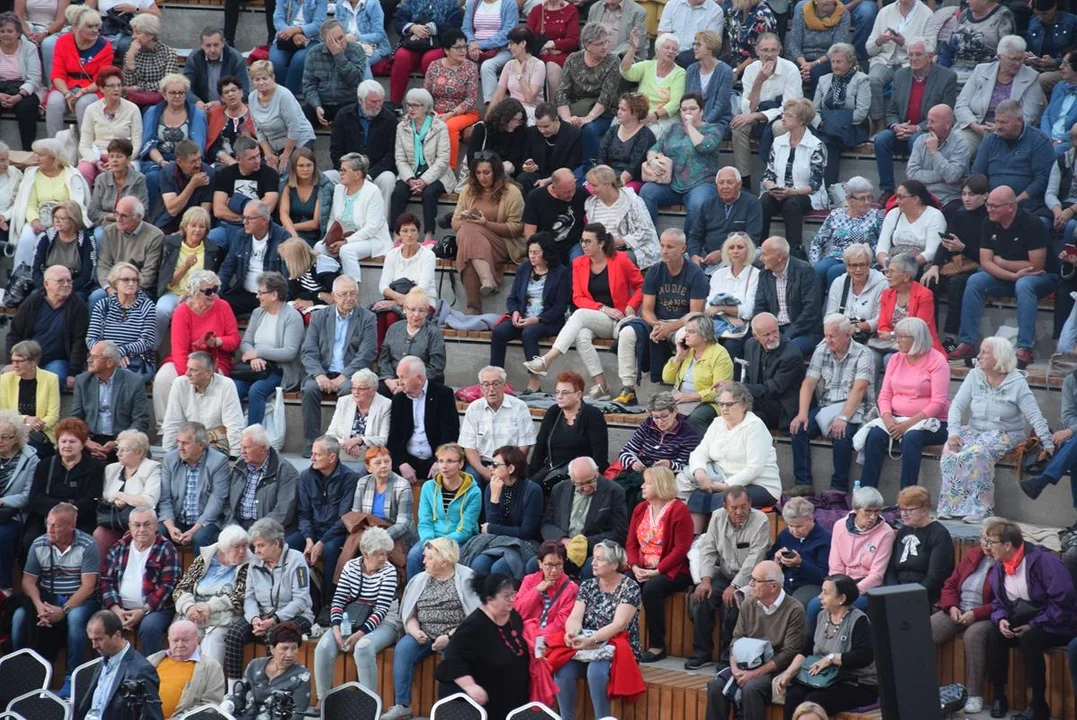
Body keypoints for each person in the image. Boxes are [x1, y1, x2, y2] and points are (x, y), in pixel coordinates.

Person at [522, 224, 643, 399]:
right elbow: (578, 297)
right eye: (582, 241)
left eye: (588, 241)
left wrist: (632, 304)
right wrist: (602, 308)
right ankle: (602, 387)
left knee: (578, 315)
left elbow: (641, 285)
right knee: (581, 335)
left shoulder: (621, 260)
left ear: (601, 243)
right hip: (596, 318)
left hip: (619, 319)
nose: (584, 245)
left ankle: (547, 360)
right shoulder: (579, 263)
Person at [940, 337, 1053, 521]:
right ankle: (952, 505)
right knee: (950, 449)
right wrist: (953, 433)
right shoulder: (974, 375)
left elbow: (1034, 415)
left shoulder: (1017, 383)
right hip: (975, 430)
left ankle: (982, 508)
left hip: (1005, 433)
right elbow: (957, 406)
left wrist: (1047, 442)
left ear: (999, 357)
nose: (978, 356)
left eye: (984, 352)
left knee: (978, 452)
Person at [948, 186, 1054, 369]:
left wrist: (1002, 262)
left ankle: (1024, 348)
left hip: (1042, 277)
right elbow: (986, 262)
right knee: (975, 281)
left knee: (1025, 284)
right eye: (988, 205)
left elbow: (1035, 265)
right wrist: (1013, 275)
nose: (989, 210)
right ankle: (967, 342)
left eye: (994, 206)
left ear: (1011, 207)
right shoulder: (989, 222)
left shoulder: (1032, 224)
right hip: (1011, 277)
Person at [985, 519, 1077, 720]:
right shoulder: (1000, 567)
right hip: (1024, 618)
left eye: (991, 542)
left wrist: (1033, 624)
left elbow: (1063, 602)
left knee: (1030, 640)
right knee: (995, 635)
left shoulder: (1044, 561)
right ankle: (999, 696)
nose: (988, 547)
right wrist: (1001, 619)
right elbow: (998, 602)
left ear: (1007, 545)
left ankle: (1038, 705)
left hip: (1057, 622)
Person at [381, 538, 480, 720]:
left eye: (428, 558)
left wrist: (449, 637)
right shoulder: (420, 579)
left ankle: (454, 709)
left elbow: (474, 620)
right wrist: (414, 630)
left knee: (454, 654)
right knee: (403, 649)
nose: (423, 561)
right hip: (424, 633)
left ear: (444, 560)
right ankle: (402, 705)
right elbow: (410, 614)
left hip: (456, 635)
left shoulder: (467, 578)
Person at [705, 559, 809, 720]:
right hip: (744, 664)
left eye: (756, 580)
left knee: (751, 688)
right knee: (715, 685)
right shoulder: (748, 603)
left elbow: (789, 653)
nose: (750, 583)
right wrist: (735, 669)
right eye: (751, 579)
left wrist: (755, 674)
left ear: (773, 586)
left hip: (775, 668)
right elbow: (736, 639)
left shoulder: (795, 609)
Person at [552, 540, 643, 720]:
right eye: (594, 558)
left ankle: (602, 717)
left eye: (600, 559)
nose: (593, 563)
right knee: (562, 670)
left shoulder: (630, 587)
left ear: (615, 564)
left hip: (616, 646)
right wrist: (571, 633)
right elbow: (575, 618)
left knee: (596, 672)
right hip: (587, 645)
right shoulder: (588, 585)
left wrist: (591, 640)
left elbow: (619, 625)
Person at [11, 503, 99, 685]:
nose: (49, 529)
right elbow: (28, 581)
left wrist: (63, 610)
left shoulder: (88, 545)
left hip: (79, 600)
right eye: (48, 523)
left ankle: (72, 678)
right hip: (47, 600)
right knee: (19, 617)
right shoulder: (39, 543)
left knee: (76, 620)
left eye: (56, 525)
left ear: (71, 526)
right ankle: (20, 674)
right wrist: (39, 606)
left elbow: (88, 587)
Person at [684, 486, 770, 668]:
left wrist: (736, 585)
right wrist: (705, 579)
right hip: (723, 574)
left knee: (732, 605)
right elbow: (708, 550)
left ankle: (727, 658)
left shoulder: (760, 520)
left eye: (743, 507)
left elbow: (755, 558)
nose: (739, 512)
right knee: (700, 599)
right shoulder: (716, 517)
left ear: (750, 504)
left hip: (750, 579)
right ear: (725, 506)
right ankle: (702, 653)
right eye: (734, 508)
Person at [859, 316, 950, 488]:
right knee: (875, 436)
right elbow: (885, 394)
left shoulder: (937, 361)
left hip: (932, 423)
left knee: (911, 438)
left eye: (902, 337)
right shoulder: (895, 359)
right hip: (896, 419)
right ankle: (866, 494)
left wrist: (907, 425)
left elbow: (939, 403)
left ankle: (907, 497)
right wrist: (887, 418)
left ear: (916, 339)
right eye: (897, 336)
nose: (897, 340)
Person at [773, 574, 878, 720]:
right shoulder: (822, 615)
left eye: (825, 593)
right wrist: (788, 673)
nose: (819, 596)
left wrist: (831, 659)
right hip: (825, 678)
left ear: (841, 598)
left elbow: (865, 656)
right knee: (793, 695)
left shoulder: (859, 620)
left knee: (813, 701)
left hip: (856, 684)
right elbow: (807, 649)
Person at [790, 314, 875, 493]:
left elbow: (859, 389)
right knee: (799, 427)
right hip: (827, 408)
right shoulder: (821, 350)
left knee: (841, 434)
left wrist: (843, 417)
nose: (828, 340)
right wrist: (802, 413)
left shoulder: (863, 353)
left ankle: (838, 488)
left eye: (832, 336)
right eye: (826, 335)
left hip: (855, 408)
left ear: (846, 335)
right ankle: (803, 483)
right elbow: (809, 383)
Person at [312, 526, 399, 700]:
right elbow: (338, 601)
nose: (384, 558)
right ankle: (323, 700)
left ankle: (370, 703)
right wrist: (336, 631)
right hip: (351, 618)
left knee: (363, 647)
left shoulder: (389, 571)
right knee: (322, 647)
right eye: (380, 554)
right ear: (366, 554)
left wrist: (358, 635)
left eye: (386, 553)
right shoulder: (350, 566)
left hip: (384, 621)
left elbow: (381, 610)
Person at [222, 518, 314, 682]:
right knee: (234, 633)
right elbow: (249, 597)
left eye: (261, 545)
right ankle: (233, 690)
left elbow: (300, 600)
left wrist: (274, 620)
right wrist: (255, 618)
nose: (256, 551)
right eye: (255, 546)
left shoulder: (296, 560)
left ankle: (268, 685)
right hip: (263, 616)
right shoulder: (254, 563)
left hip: (296, 616)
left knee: (274, 634)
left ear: (276, 544)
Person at [681, 381, 782, 525]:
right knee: (697, 496)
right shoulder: (717, 423)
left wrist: (727, 485)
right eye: (721, 404)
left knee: (723, 499)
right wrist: (700, 473)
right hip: (722, 481)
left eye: (729, 404)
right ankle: (696, 541)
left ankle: (718, 542)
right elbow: (700, 452)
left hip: (761, 485)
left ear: (744, 404)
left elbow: (754, 469)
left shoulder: (755, 426)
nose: (724, 409)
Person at [299, 275, 377, 456]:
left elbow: (367, 353)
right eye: (344, 294)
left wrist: (345, 376)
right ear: (333, 296)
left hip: (351, 374)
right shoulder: (319, 317)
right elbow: (308, 351)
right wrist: (319, 375)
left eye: (353, 294)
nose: (349, 298)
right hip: (323, 371)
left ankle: (341, 444)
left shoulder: (367, 318)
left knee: (350, 390)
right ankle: (312, 444)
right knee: (309, 389)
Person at [151, 270, 241, 427]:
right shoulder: (182, 311)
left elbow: (234, 340)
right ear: (194, 291)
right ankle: (165, 428)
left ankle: (210, 428)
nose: (213, 294)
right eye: (208, 291)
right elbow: (179, 351)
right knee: (163, 379)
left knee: (213, 379)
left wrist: (218, 341)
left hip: (213, 359)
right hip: (186, 359)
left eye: (215, 290)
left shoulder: (223, 306)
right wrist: (188, 375)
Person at [874, 43, 960, 199]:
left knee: (917, 141)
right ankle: (887, 189)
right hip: (901, 129)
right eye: (911, 55)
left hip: (928, 131)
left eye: (918, 54)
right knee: (881, 139)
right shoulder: (900, 75)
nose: (914, 58)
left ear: (930, 55)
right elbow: (892, 110)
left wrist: (917, 128)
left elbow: (947, 112)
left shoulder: (947, 77)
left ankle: (913, 190)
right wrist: (896, 126)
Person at [625, 467, 692, 662]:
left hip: (672, 569)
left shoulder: (679, 510)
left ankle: (657, 645)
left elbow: (681, 549)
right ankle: (622, 639)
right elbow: (631, 543)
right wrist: (635, 566)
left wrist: (656, 572)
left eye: (647, 483)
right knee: (625, 584)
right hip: (642, 567)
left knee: (651, 589)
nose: (642, 486)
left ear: (661, 485)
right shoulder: (640, 508)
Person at [930, 524, 997, 716]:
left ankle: (975, 694)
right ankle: (923, 685)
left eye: (991, 541)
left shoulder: (1004, 561)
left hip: (986, 615)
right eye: (984, 539)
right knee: (925, 630)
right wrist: (951, 606)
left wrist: (977, 613)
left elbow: (1004, 601)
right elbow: (950, 584)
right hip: (958, 609)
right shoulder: (974, 554)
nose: (986, 545)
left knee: (973, 636)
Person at [639, 93, 722, 237]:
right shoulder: (673, 129)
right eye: (684, 109)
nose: (688, 112)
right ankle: (649, 239)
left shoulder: (713, 130)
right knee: (647, 192)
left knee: (698, 204)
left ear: (701, 111)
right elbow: (654, 148)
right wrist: (652, 160)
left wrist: (690, 126)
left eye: (692, 109)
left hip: (700, 183)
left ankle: (687, 245)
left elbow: (704, 146)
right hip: (671, 184)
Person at [99, 506, 179, 655]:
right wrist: (117, 610)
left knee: (149, 627)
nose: (141, 529)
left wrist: (143, 611)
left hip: (155, 609)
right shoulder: (118, 548)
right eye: (137, 525)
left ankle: (149, 674)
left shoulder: (167, 549)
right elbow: (106, 581)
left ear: (156, 526)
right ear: (130, 526)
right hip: (120, 608)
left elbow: (169, 585)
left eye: (147, 524)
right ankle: (107, 673)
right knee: (102, 623)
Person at [452, 152, 525, 314]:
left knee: (468, 238)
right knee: (468, 233)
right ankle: (486, 282)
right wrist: (464, 221)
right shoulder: (468, 191)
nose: (482, 177)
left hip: (503, 242)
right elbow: (455, 223)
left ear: (496, 172)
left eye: (486, 172)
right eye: (478, 173)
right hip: (472, 241)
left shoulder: (511, 192)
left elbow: (516, 228)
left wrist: (486, 224)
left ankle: (473, 306)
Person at [922, 174, 989, 346]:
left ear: (985, 195)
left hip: (979, 266)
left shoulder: (989, 219)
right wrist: (935, 266)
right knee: (931, 281)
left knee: (956, 284)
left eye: (972, 195)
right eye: (964, 194)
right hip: (958, 263)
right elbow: (945, 243)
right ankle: (930, 333)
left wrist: (963, 248)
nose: (966, 199)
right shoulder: (959, 215)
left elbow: (985, 255)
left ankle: (951, 336)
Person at [729, 34, 802, 189]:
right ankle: (744, 180)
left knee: (780, 127)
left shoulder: (791, 69)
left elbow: (790, 108)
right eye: (765, 50)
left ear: (780, 50)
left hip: (785, 117)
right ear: (757, 51)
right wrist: (759, 81)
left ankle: (779, 176)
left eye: (773, 50)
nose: (769, 55)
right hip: (758, 113)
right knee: (738, 126)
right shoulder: (750, 70)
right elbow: (748, 109)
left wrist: (758, 115)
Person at [289, 435, 358, 598]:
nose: (311, 458)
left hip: (337, 532)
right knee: (288, 546)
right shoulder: (305, 477)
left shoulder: (350, 479)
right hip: (312, 531)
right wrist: (308, 539)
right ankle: (292, 596)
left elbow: (344, 518)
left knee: (330, 550)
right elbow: (304, 513)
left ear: (332, 457)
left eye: (316, 454)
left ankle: (329, 600)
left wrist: (321, 542)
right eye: (312, 453)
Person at [172, 525, 250, 667]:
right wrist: (189, 607)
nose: (242, 551)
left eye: (245, 546)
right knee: (182, 633)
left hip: (225, 615)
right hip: (194, 611)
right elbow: (181, 588)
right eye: (237, 547)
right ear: (224, 548)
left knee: (213, 638)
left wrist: (210, 606)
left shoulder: (248, 564)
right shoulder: (204, 559)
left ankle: (211, 684)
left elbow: (240, 596)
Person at [233, 271, 304, 426]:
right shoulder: (258, 313)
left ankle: (253, 437)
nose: (257, 296)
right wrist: (255, 357)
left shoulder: (292, 317)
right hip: (253, 367)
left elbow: (290, 352)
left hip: (279, 369)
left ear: (274, 295)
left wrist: (259, 352)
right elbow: (245, 342)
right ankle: (233, 436)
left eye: (261, 292)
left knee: (256, 391)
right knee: (234, 388)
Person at [490, 233, 570, 370]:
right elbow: (512, 298)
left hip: (547, 320)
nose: (531, 256)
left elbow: (560, 306)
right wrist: (515, 313)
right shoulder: (524, 269)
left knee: (529, 333)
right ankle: (496, 376)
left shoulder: (561, 272)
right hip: (522, 318)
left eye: (536, 252)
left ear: (546, 253)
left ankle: (535, 381)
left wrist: (537, 319)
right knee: (498, 332)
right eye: (530, 252)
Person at [10, 138, 91, 273]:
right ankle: (20, 276)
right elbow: (30, 204)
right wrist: (35, 222)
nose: (36, 158)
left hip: (66, 219)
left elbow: (76, 204)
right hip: (39, 219)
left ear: (54, 157)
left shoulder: (72, 174)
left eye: (41, 154)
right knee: (26, 236)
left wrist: (60, 221)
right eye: (35, 153)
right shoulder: (32, 174)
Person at [538, 457, 627, 579]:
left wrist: (585, 543)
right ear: (571, 478)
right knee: (534, 564)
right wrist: (563, 540)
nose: (586, 488)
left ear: (597, 472)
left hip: (593, 552)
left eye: (590, 481)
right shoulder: (559, 489)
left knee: (590, 569)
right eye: (579, 484)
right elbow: (547, 524)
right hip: (563, 550)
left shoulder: (614, 491)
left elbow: (619, 533)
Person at [760, 98, 828, 257]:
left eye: (788, 115)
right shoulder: (778, 142)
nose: (783, 118)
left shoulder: (816, 145)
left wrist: (793, 192)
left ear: (802, 120)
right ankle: (759, 248)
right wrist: (772, 187)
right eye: (783, 114)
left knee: (792, 204)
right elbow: (768, 174)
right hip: (780, 192)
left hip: (806, 195)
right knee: (763, 201)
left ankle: (795, 251)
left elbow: (815, 184)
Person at [955, 38, 1046, 158]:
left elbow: (1029, 115)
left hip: (1011, 134)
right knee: (959, 152)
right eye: (1013, 59)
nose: (1018, 63)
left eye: (1021, 59)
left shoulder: (1031, 77)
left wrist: (1001, 128)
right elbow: (961, 105)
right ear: (999, 57)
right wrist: (975, 126)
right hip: (975, 128)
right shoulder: (981, 70)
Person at [462, 446, 542, 578]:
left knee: (499, 568)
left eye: (495, 465)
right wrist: (494, 498)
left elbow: (526, 532)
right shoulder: (491, 488)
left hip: (523, 544)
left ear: (511, 468)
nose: (490, 468)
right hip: (497, 542)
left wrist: (492, 527)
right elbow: (491, 532)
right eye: (490, 464)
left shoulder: (532, 490)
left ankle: (505, 598)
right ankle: (483, 599)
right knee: (478, 564)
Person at [407, 443, 482, 579]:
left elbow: (465, 529)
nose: (444, 466)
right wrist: (429, 542)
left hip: (459, 540)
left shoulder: (474, 491)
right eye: (440, 461)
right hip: (432, 538)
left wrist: (441, 545)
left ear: (460, 464)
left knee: (449, 560)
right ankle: (412, 596)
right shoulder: (428, 487)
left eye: (450, 461)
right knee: (413, 556)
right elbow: (424, 521)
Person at [970, 98, 1054, 218]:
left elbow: (1042, 179)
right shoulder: (990, 140)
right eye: (997, 121)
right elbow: (977, 174)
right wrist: (989, 200)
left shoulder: (1039, 141)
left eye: (1003, 122)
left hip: (1027, 206)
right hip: (990, 205)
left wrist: (1015, 201)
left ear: (1019, 120)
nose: (998, 126)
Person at [391, 88, 457, 241]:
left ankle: (428, 236)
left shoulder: (439, 126)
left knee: (429, 193)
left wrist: (424, 180)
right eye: (408, 105)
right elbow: (400, 158)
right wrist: (409, 179)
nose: (410, 109)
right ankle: (396, 235)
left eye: (416, 105)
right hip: (411, 172)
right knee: (399, 192)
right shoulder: (402, 127)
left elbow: (443, 160)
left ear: (426, 107)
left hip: (438, 174)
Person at [6, 267, 86, 392]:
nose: (66, 285)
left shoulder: (78, 306)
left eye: (69, 281)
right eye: (60, 281)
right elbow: (14, 334)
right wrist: (13, 361)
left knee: (55, 378)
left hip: (57, 360)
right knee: (8, 377)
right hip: (27, 358)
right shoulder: (32, 303)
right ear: (46, 284)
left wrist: (73, 372)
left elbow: (79, 341)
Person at [76, 610, 165, 720]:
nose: (94, 646)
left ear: (117, 635)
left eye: (98, 639)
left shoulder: (142, 670)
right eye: (92, 640)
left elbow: (152, 716)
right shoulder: (101, 663)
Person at [555, 23, 621, 168]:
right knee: (562, 127)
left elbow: (606, 96)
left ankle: (591, 167)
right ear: (587, 45)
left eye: (606, 42)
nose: (605, 46)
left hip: (602, 111)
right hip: (575, 108)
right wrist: (566, 118)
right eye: (599, 44)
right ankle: (563, 168)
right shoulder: (573, 59)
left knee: (589, 129)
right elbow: (562, 92)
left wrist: (588, 118)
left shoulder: (613, 61)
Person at [157, 422, 230, 552]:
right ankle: (166, 572)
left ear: (201, 445)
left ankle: (199, 573)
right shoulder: (170, 459)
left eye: (185, 443)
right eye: (178, 442)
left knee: (200, 538)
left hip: (205, 522)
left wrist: (194, 530)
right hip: (177, 519)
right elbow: (164, 498)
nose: (180, 447)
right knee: (158, 532)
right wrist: (170, 527)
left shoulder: (218, 461)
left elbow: (217, 501)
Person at [139, 74, 209, 208]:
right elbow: (148, 143)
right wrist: (161, 162)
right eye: (172, 93)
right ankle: (153, 218)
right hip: (159, 160)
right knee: (152, 177)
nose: (177, 96)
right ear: (164, 94)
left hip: (187, 161)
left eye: (181, 92)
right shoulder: (152, 112)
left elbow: (198, 146)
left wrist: (181, 163)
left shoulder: (197, 114)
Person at [385, 356, 460, 480]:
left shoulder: (442, 395)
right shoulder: (399, 399)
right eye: (398, 377)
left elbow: (450, 433)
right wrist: (402, 463)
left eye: (403, 377)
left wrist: (440, 461)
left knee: (448, 471)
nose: (399, 382)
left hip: (436, 459)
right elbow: (394, 437)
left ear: (419, 379)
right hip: (408, 459)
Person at [44, 6, 113, 138]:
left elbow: (102, 78)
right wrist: (67, 94)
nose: (95, 31)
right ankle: (55, 148)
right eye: (90, 26)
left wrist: (84, 91)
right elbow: (57, 74)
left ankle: (86, 151)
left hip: (93, 88)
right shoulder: (63, 42)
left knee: (83, 104)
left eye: (97, 26)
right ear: (77, 27)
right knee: (54, 103)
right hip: (66, 85)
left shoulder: (105, 46)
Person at [458, 367, 536, 483]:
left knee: (526, 482)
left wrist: (503, 469)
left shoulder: (519, 407)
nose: (491, 389)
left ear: (504, 385)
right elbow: (469, 447)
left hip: (510, 463)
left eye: (496, 384)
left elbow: (524, 446)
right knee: (471, 480)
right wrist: (483, 470)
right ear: (481, 388)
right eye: (486, 384)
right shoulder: (474, 408)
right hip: (482, 463)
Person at [661, 313, 734, 434]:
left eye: (691, 332)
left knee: (695, 418)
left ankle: (699, 451)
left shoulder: (720, 355)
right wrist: (678, 356)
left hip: (708, 402)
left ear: (705, 336)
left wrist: (690, 396)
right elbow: (667, 378)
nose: (686, 335)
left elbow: (721, 391)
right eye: (686, 331)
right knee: (658, 413)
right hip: (681, 397)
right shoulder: (687, 350)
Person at [809, 179, 884, 295]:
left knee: (834, 272)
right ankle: (815, 310)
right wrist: (815, 262)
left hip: (861, 259)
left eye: (869, 197)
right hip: (835, 255)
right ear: (849, 199)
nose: (867, 202)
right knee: (819, 269)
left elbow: (882, 243)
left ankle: (835, 308)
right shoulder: (836, 215)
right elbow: (817, 242)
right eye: (862, 198)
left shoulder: (876, 216)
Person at [159, 352, 244, 454]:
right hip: (189, 440)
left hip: (217, 442)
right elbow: (172, 421)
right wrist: (168, 452)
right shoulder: (179, 383)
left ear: (208, 372)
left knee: (206, 458)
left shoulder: (226, 385)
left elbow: (234, 423)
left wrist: (234, 454)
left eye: (193, 370)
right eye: (187, 368)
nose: (187, 374)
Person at [86, 262, 158, 380]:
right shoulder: (103, 305)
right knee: (99, 374)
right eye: (126, 280)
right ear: (115, 282)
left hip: (136, 359)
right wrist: (110, 355)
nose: (131, 283)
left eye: (135, 280)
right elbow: (91, 339)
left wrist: (120, 352)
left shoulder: (147, 306)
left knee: (121, 377)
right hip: (104, 358)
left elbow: (146, 341)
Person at [812, 43, 870, 186]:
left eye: (840, 61)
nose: (836, 65)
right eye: (833, 62)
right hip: (825, 126)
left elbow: (861, 113)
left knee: (827, 140)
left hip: (852, 127)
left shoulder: (861, 79)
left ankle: (827, 187)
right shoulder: (823, 79)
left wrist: (835, 121)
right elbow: (814, 110)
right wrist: (822, 123)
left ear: (850, 62)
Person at [226, 621, 311, 719]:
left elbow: (298, 714)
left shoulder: (302, 675)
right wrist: (229, 704)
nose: (289, 654)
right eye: (284, 648)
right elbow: (238, 697)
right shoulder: (255, 665)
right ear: (272, 649)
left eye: (294, 648)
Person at [222, 425, 299, 532]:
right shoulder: (239, 466)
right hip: (237, 525)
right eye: (241, 447)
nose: (242, 451)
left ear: (262, 449)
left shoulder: (285, 471)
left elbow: (283, 512)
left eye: (247, 447)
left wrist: (257, 531)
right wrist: (232, 524)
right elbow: (226, 501)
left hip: (267, 530)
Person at [156, 209, 218, 343]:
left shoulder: (212, 248)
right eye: (193, 225)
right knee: (161, 310)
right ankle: (153, 349)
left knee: (214, 305)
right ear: (185, 226)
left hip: (198, 295)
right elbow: (170, 282)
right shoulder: (170, 244)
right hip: (173, 292)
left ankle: (202, 347)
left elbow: (211, 280)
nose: (197, 230)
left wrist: (190, 295)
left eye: (202, 226)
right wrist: (186, 266)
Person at [92, 197, 164, 312]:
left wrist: (126, 290)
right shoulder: (109, 231)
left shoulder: (155, 236)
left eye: (124, 216)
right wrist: (109, 288)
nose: (118, 219)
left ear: (139, 217)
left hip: (139, 288)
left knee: (139, 303)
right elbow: (103, 265)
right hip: (113, 286)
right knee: (95, 298)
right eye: (116, 213)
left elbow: (149, 274)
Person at [584, 164, 660, 272]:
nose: (591, 189)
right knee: (579, 262)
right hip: (602, 248)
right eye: (590, 185)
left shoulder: (632, 201)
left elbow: (646, 231)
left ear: (607, 185)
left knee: (614, 262)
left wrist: (621, 241)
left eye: (595, 185)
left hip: (632, 249)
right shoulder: (591, 204)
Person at [208, 135, 279, 250]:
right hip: (228, 226)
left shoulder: (269, 174)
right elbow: (218, 210)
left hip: (259, 229)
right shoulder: (225, 174)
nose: (257, 161)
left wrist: (233, 206)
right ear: (238, 159)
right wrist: (246, 219)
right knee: (209, 239)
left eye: (258, 155)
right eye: (251, 158)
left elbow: (267, 208)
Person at [886, 486, 954, 605]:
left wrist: (911, 596)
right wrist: (893, 591)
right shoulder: (903, 531)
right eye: (901, 509)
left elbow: (935, 577)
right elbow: (891, 568)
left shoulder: (939, 534)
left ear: (925, 509)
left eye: (910, 510)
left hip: (923, 593)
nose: (904, 514)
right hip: (898, 589)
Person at [755, 236, 823, 356]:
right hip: (775, 329)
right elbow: (760, 308)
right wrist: (767, 332)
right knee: (751, 346)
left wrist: (785, 336)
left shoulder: (805, 272)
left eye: (765, 254)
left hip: (804, 331)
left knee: (785, 352)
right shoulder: (764, 275)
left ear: (780, 257)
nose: (761, 259)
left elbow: (811, 311)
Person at [92, 428, 157, 551]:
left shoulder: (152, 468)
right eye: (118, 449)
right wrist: (116, 500)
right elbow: (106, 497)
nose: (118, 454)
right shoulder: (111, 469)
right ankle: (101, 570)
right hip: (112, 521)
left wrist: (121, 496)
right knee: (99, 535)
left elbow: (149, 501)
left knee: (133, 538)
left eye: (124, 450)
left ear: (139, 453)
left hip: (140, 523)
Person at [147, 619, 227, 718]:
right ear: (169, 640)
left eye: (185, 640)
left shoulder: (212, 668)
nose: (180, 645)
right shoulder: (152, 660)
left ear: (197, 640)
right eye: (175, 640)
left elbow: (210, 706)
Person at [618, 393, 701, 488]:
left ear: (675, 411)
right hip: (642, 472)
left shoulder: (688, 434)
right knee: (617, 489)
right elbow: (627, 450)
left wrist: (670, 465)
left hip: (666, 479)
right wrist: (632, 463)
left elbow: (687, 466)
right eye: (656, 417)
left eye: (664, 416)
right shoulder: (648, 423)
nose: (660, 421)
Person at [689, 169, 763, 275]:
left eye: (729, 182)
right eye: (721, 183)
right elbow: (695, 235)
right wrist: (694, 256)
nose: (725, 187)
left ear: (739, 184)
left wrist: (723, 253)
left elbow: (752, 238)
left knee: (758, 254)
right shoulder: (708, 204)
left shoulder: (752, 203)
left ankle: (712, 274)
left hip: (737, 254)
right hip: (708, 257)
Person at [741, 312, 808, 431]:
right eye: (766, 335)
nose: (772, 338)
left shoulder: (791, 354)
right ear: (755, 336)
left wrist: (741, 388)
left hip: (782, 408)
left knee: (746, 421)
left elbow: (774, 389)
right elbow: (749, 379)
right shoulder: (750, 345)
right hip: (760, 401)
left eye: (775, 332)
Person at [247, 60, 316, 174]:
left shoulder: (284, 95)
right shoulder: (252, 97)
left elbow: (294, 128)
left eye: (265, 78)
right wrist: (268, 155)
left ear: (272, 77)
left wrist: (285, 156)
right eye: (257, 79)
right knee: (265, 172)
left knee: (285, 172)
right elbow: (258, 129)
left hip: (298, 140)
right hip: (274, 145)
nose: (261, 82)